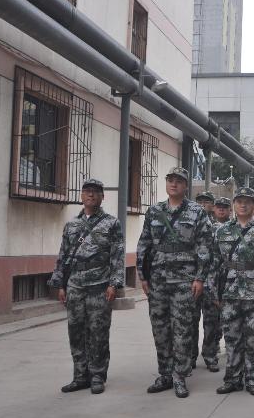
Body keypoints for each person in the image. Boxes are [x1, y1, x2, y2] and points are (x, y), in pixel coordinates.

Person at [137, 167, 212, 398]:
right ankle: (165, 374)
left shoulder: (197, 212)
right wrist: (142, 275)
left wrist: (200, 277)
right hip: (158, 279)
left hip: (184, 280)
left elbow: (204, 246)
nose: (174, 184)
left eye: (179, 181)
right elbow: (144, 243)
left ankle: (180, 376)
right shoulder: (154, 211)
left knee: (182, 330)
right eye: (170, 180)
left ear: (186, 185)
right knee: (160, 329)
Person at [49, 178, 124, 395]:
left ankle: (97, 375)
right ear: (82, 195)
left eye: (95, 192)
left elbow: (117, 255)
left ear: (102, 197)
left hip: (99, 285)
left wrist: (114, 284)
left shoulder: (111, 223)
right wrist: (60, 284)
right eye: (87, 191)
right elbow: (63, 255)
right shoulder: (72, 225)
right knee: (76, 331)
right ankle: (80, 376)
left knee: (98, 332)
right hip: (75, 285)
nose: (91, 194)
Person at [209, 187, 254, 396]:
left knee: (253, 339)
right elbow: (214, 262)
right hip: (229, 292)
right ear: (234, 204)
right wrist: (214, 291)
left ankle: (253, 379)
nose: (243, 205)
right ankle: (232, 379)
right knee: (231, 337)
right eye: (239, 201)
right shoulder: (221, 231)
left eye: (248, 201)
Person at [191, 191, 217, 371]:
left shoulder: (219, 228)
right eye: (199, 201)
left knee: (211, 323)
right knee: (190, 321)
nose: (202, 205)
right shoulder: (188, 224)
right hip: (192, 280)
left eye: (206, 202)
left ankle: (210, 355)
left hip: (211, 281)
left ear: (212, 206)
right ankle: (190, 356)